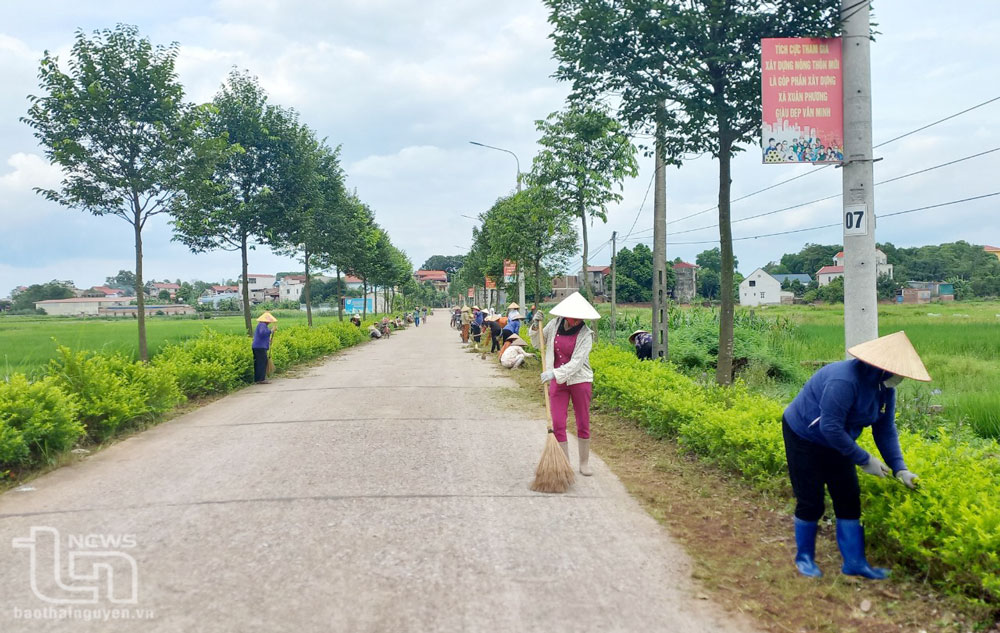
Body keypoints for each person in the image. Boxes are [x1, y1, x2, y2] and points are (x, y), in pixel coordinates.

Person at [782, 331, 929, 580]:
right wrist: (864, 459)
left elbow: (885, 429)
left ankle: (854, 563)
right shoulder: (844, 380)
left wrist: (900, 468)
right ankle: (804, 557)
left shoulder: (885, 389)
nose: (901, 377)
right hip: (805, 436)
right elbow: (829, 427)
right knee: (811, 500)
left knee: (848, 497)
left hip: (840, 439)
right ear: (883, 367)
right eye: (899, 372)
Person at [529, 291, 600, 476]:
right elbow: (537, 343)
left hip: (580, 380)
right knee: (558, 422)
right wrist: (535, 326)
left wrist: (554, 373)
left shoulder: (586, 334)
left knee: (582, 421)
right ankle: (564, 463)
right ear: (566, 314)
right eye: (574, 317)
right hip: (557, 382)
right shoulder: (554, 325)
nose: (576, 321)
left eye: (580, 318)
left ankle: (584, 463)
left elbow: (577, 363)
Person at [251, 311, 277, 384]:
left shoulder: (262, 325)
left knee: (259, 363)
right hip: (260, 347)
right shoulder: (262, 325)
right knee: (262, 363)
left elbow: (262, 336)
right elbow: (263, 333)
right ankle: (261, 379)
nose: (270, 322)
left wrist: (268, 340)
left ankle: (258, 379)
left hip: (258, 346)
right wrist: (271, 330)